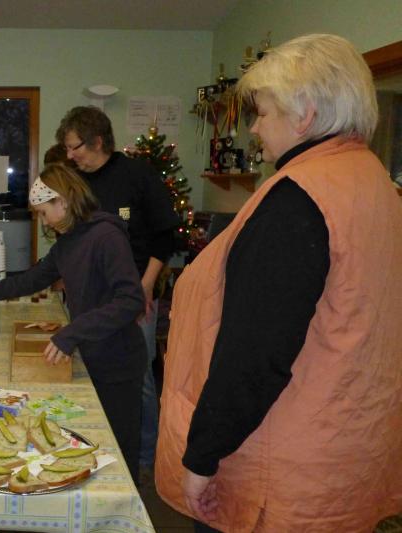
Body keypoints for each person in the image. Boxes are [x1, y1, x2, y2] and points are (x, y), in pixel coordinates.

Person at [155, 34, 402, 532]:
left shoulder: (297, 201)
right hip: (346, 458)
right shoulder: (377, 185)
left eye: (263, 113)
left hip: (279, 467)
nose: (254, 128)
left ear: (304, 114)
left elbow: (254, 352)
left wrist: (202, 456)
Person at [0, 163, 147, 481]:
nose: (43, 221)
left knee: (120, 452)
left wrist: (71, 332)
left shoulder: (106, 236)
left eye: (44, 213)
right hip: (93, 353)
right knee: (95, 445)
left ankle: (128, 500)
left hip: (118, 361)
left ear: (64, 202)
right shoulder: (68, 241)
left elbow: (130, 301)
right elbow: (30, 280)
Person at [56, 106, 179, 480]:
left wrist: (144, 286)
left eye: (75, 147)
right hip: (90, 302)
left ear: (97, 141)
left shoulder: (137, 176)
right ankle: (101, 448)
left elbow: (165, 236)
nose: (70, 156)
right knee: (91, 373)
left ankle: (145, 459)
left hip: (134, 296)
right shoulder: (77, 180)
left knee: (139, 381)